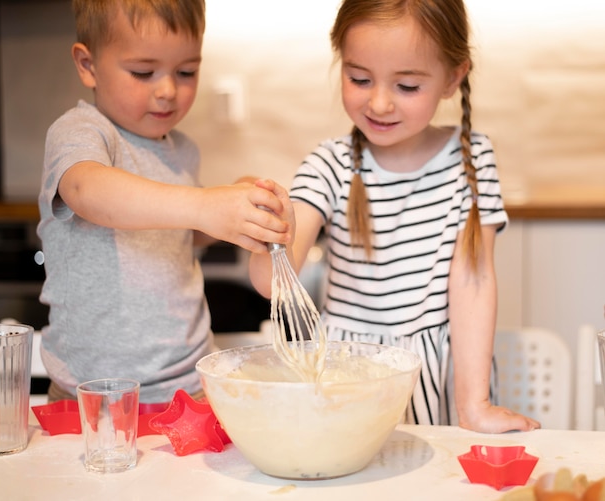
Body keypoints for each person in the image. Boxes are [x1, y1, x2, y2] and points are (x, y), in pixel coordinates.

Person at [249, 0, 540, 433]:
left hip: (435, 377)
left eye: (406, 86)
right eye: (359, 79)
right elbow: (275, 282)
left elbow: (473, 279)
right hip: (347, 377)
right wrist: (267, 229)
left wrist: (474, 404)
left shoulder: (472, 159)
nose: (380, 102)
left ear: (452, 78)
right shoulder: (328, 164)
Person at [37, 0, 291, 404]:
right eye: (143, 72)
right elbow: (87, 191)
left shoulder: (182, 151)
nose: (168, 90)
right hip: (91, 396)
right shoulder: (82, 132)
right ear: (88, 65)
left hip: (190, 386)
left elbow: (178, 237)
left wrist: (232, 213)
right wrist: (204, 205)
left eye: (186, 71)